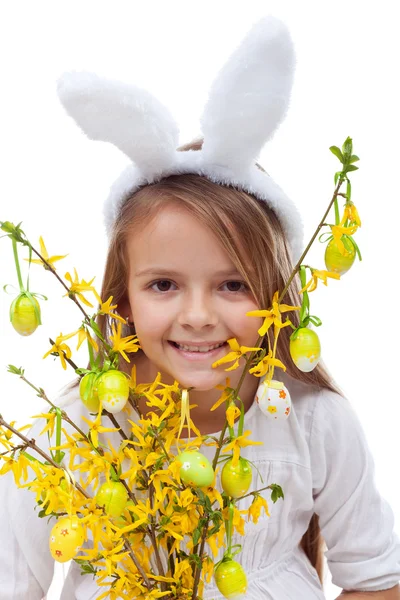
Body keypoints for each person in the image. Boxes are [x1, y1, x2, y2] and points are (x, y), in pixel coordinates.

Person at [1, 15, 400, 600]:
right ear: (122, 299)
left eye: (233, 285)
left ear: (277, 300)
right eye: (163, 285)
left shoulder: (314, 423)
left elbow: (377, 580)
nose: (197, 315)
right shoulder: (71, 436)